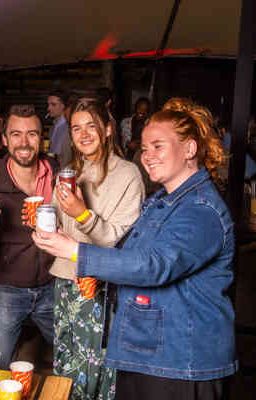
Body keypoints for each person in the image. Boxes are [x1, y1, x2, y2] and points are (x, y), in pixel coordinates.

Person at [33, 98, 237, 400]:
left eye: (158, 146)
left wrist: (76, 249)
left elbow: (152, 266)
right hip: (148, 352)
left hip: (181, 363)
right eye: (144, 148)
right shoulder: (162, 202)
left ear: (190, 149)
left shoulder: (201, 209)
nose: (147, 155)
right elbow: (126, 254)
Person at [47, 99, 145, 400]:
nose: (84, 134)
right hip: (65, 281)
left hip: (100, 285)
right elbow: (57, 228)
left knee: (95, 370)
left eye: (92, 125)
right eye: (77, 128)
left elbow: (121, 240)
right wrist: (40, 222)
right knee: (65, 360)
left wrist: (82, 214)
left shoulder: (128, 174)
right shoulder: (68, 172)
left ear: (108, 129)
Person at [0, 104, 60, 369]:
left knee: (73, 358)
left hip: (53, 285)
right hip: (5, 291)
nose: (24, 142)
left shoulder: (58, 176)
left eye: (32, 134)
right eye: (16, 134)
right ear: (5, 139)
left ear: (42, 138)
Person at [47, 89, 72, 169]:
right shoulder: (52, 128)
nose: (48, 108)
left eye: (53, 105)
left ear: (63, 105)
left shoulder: (70, 127)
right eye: (48, 104)